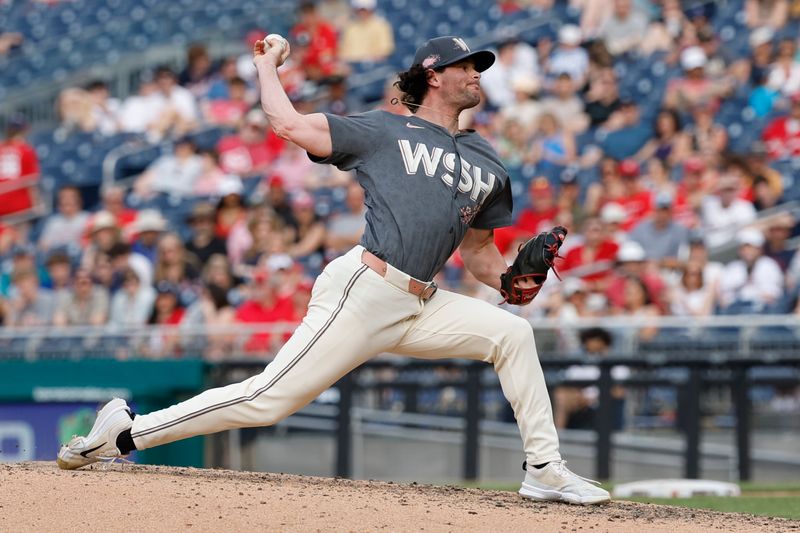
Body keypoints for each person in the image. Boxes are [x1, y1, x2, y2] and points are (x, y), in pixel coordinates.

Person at [57, 34, 610, 505]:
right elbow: (287, 123)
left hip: (422, 302)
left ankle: (544, 471)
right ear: (433, 76)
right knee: (266, 399)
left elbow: (479, 255)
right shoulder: (383, 130)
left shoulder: (486, 159)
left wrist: (516, 281)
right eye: (467, 66)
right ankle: (124, 435)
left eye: (478, 67)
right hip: (365, 289)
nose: (477, 74)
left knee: (511, 332)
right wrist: (265, 68)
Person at [0, 116, 39, 218]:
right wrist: (36, 204)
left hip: (1, 201)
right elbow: (31, 181)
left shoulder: (1, 148)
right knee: (21, 232)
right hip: (19, 203)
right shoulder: (26, 149)